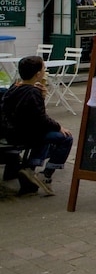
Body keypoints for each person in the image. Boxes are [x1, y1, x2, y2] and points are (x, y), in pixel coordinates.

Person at [0, 56, 74, 196]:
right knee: (65, 138)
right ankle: (45, 175)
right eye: (44, 69)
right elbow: (41, 118)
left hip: (10, 132)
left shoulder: (14, 87)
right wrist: (59, 127)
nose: (45, 72)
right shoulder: (33, 92)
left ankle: (30, 171)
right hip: (25, 135)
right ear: (38, 74)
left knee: (44, 135)